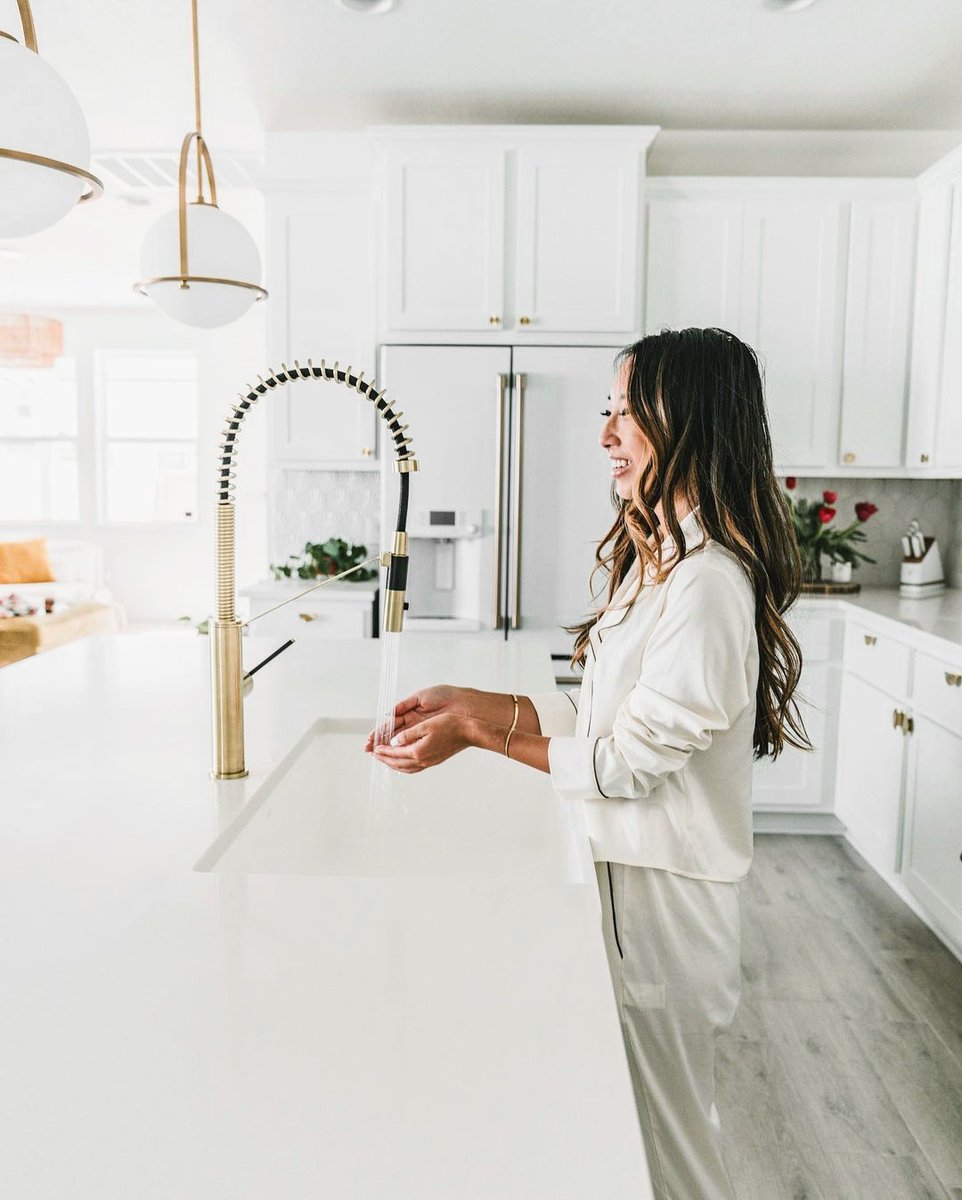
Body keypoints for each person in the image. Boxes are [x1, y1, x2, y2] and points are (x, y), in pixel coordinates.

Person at [366, 327, 810, 1200]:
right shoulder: (663, 562)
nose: (605, 434)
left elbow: (627, 765)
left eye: (624, 412)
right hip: (627, 880)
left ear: (686, 419)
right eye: (607, 412)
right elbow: (603, 720)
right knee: (635, 1133)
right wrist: (471, 703)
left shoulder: (708, 582)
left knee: (673, 1150)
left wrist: (475, 737)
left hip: (665, 902)